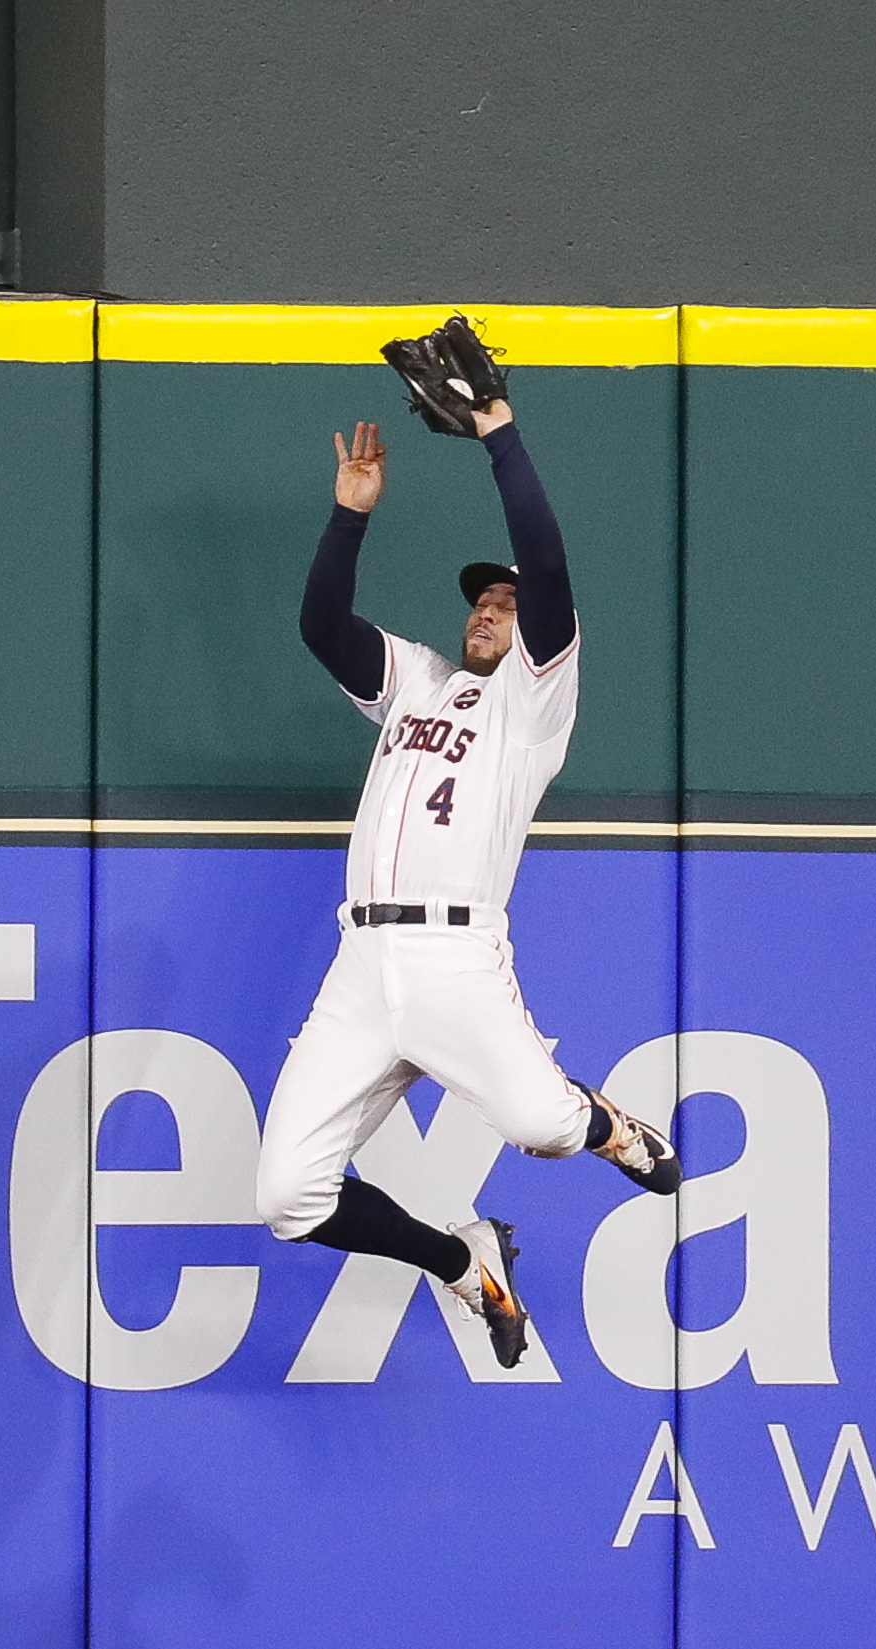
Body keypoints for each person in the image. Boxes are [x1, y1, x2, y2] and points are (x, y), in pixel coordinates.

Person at [255, 405, 681, 1369]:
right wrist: (349, 515)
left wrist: (499, 432)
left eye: (504, 599)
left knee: (541, 1126)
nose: (487, 606)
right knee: (287, 1199)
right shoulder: (419, 680)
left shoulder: (533, 705)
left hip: (454, 955)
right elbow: (322, 624)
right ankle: (460, 1260)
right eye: (479, 598)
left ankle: (608, 1125)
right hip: (362, 964)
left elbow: (550, 570)